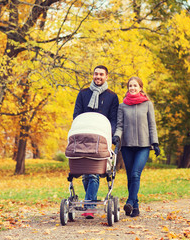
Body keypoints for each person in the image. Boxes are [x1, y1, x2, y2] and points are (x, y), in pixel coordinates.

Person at [73, 65, 119, 219]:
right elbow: (77, 115)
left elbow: (113, 119)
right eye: (96, 74)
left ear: (106, 77)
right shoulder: (83, 94)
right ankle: (90, 202)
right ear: (92, 75)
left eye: (101, 74)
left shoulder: (112, 97)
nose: (98, 76)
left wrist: (109, 135)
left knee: (93, 174)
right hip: (84, 138)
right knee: (86, 175)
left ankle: (89, 206)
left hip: (101, 139)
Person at [112, 76, 160, 217]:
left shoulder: (147, 104)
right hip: (127, 146)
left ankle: (130, 202)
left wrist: (155, 143)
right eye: (130, 86)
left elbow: (152, 125)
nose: (132, 88)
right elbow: (120, 126)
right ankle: (135, 207)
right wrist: (117, 136)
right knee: (130, 177)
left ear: (140, 88)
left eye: (135, 85)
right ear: (128, 88)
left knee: (135, 174)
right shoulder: (122, 106)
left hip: (143, 146)